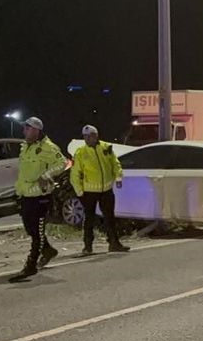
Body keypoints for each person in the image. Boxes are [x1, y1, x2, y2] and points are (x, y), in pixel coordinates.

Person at [9, 117, 65, 282]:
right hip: (26, 195)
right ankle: (48, 250)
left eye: (27, 129)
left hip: (41, 196)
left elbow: (62, 163)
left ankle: (30, 265)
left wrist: (46, 175)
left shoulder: (48, 147)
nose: (24, 131)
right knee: (30, 229)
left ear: (36, 130)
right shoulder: (25, 147)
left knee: (37, 233)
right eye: (24, 128)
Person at [70, 125, 128, 256]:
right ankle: (88, 247)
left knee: (110, 218)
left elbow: (115, 164)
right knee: (89, 219)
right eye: (85, 136)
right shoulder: (80, 152)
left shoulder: (106, 147)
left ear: (96, 136)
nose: (87, 138)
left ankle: (114, 243)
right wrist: (79, 192)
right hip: (89, 192)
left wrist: (118, 177)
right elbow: (75, 174)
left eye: (89, 136)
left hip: (106, 190)